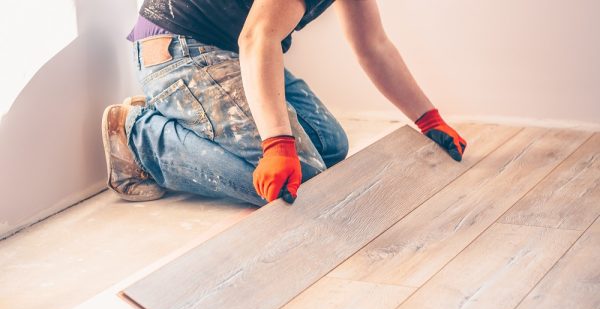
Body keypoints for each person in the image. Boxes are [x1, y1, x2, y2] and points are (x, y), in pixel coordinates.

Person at [101, 0, 467, 206]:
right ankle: (140, 137)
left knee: (330, 145)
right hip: (181, 52)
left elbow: (372, 45)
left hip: (234, 52)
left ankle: (180, 111)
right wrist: (277, 144)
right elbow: (258, 36)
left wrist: (428, 118)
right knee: (303, 178)